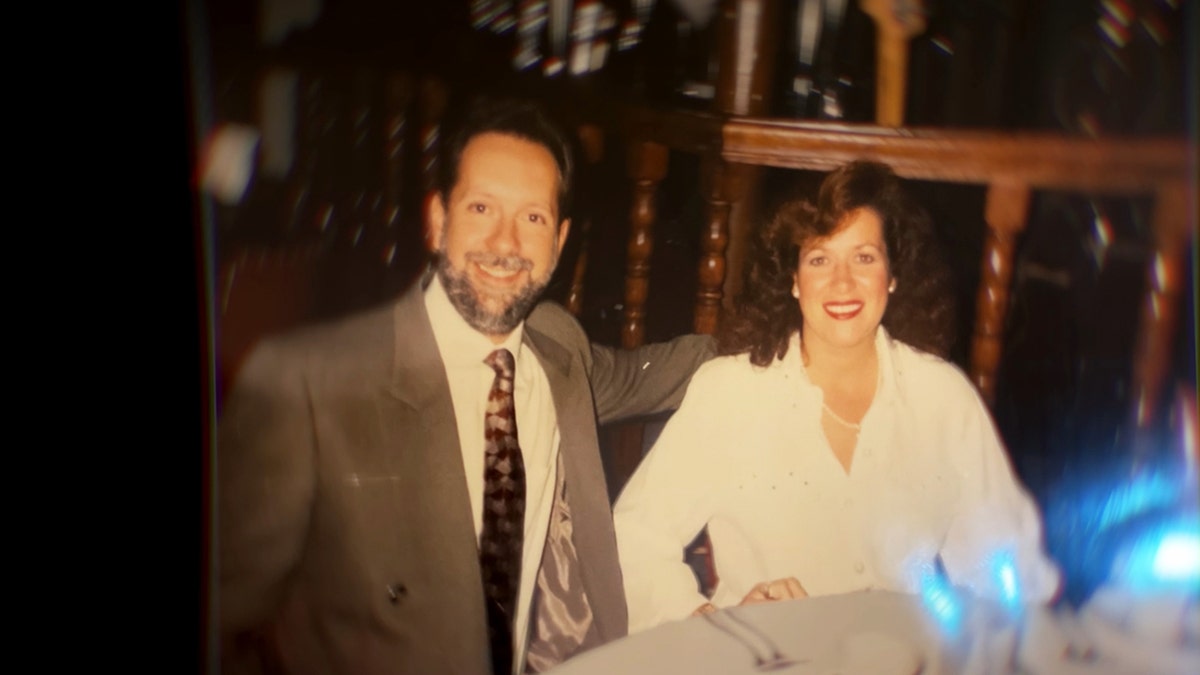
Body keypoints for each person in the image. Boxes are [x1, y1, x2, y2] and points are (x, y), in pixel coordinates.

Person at [217, 97, 715, 675]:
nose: (505, 244)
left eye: (533, 217)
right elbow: (227, 621)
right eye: (481, 207)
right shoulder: (308, 385)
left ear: (560, 240)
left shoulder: (558, 349)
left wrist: (798, 336)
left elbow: (658, 373)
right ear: (436, 219)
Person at [613, 160, 1062, 633]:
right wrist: (715, 627)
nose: (842, 282)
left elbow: (1010, 576)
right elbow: (634, 539)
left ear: (892, 274)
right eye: (819, 259)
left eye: (864, 257)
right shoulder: (729, 391)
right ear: (793, 279)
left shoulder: (943, 399)